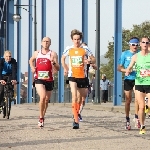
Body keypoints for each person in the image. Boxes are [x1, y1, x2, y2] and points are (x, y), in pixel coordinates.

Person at [61, 29, 96, 129]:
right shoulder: (69, 48)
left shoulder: (85, 48)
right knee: (74, 96)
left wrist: (90, 60)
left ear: (80, 39)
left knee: (82, 98)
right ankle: (75, 120)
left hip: (83, 76)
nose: (76, 41)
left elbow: (94, 59)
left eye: (78, 39)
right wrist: (66, 69)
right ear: (72, 39)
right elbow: (63, 58)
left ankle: (76, 112)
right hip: (72, 76)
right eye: (75, 39)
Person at [29, 37, 60, 128]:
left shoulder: (53, 53)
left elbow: (58, 68)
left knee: (46, 100)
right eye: (44, 41)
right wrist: (32, 67)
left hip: (49, 79)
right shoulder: (37, 53)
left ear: (50, 43)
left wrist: (53, 63)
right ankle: (41, 117)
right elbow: (31, 60)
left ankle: (42, 115)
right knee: (42, 97)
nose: (46, 43)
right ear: (41, 43)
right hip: (39, 78)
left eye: (47, 42)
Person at [125, 36, 150, 134]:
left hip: (149, 83)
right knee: (141, 107)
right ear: (140, 44)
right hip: (139, 83)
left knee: (148, 105)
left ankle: (147, 111)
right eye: (143, 42)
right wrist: (128, 70)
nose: (145, 44)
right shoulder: (136, 56)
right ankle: (142, 125)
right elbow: (130, 66)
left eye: (147, 42)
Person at [118, 37, 140, 130]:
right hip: (128, 79)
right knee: (128, 100)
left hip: (138, 78)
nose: (135, 46)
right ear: (130, 45)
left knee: (138, 99)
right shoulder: (125, 54)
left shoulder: (140, 54)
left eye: (137, 44)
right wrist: (125, 70)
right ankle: (127, 119)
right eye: (133, 44)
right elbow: (119, 67)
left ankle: (136, 117)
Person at [78, 42, 97, 121]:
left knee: (83, 98)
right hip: (77, 78)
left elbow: (96, 67)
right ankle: (76, 112)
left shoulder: (89, 57)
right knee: (78, 97)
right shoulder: (78, 56)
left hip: (86, 79)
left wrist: (92, 64)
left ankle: (79, 112)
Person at [0, 51, 17, 117]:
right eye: (7, 56)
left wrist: (14, 79)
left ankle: (10, 97)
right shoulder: (1, 61)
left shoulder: (13, 61)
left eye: (9, 56)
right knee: (1, 90)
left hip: (10, 75)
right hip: (2, 75)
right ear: (4, 57)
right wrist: (1, 79)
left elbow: (14, 70)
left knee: (10, 85)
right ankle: (1, 103)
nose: (8, 58)